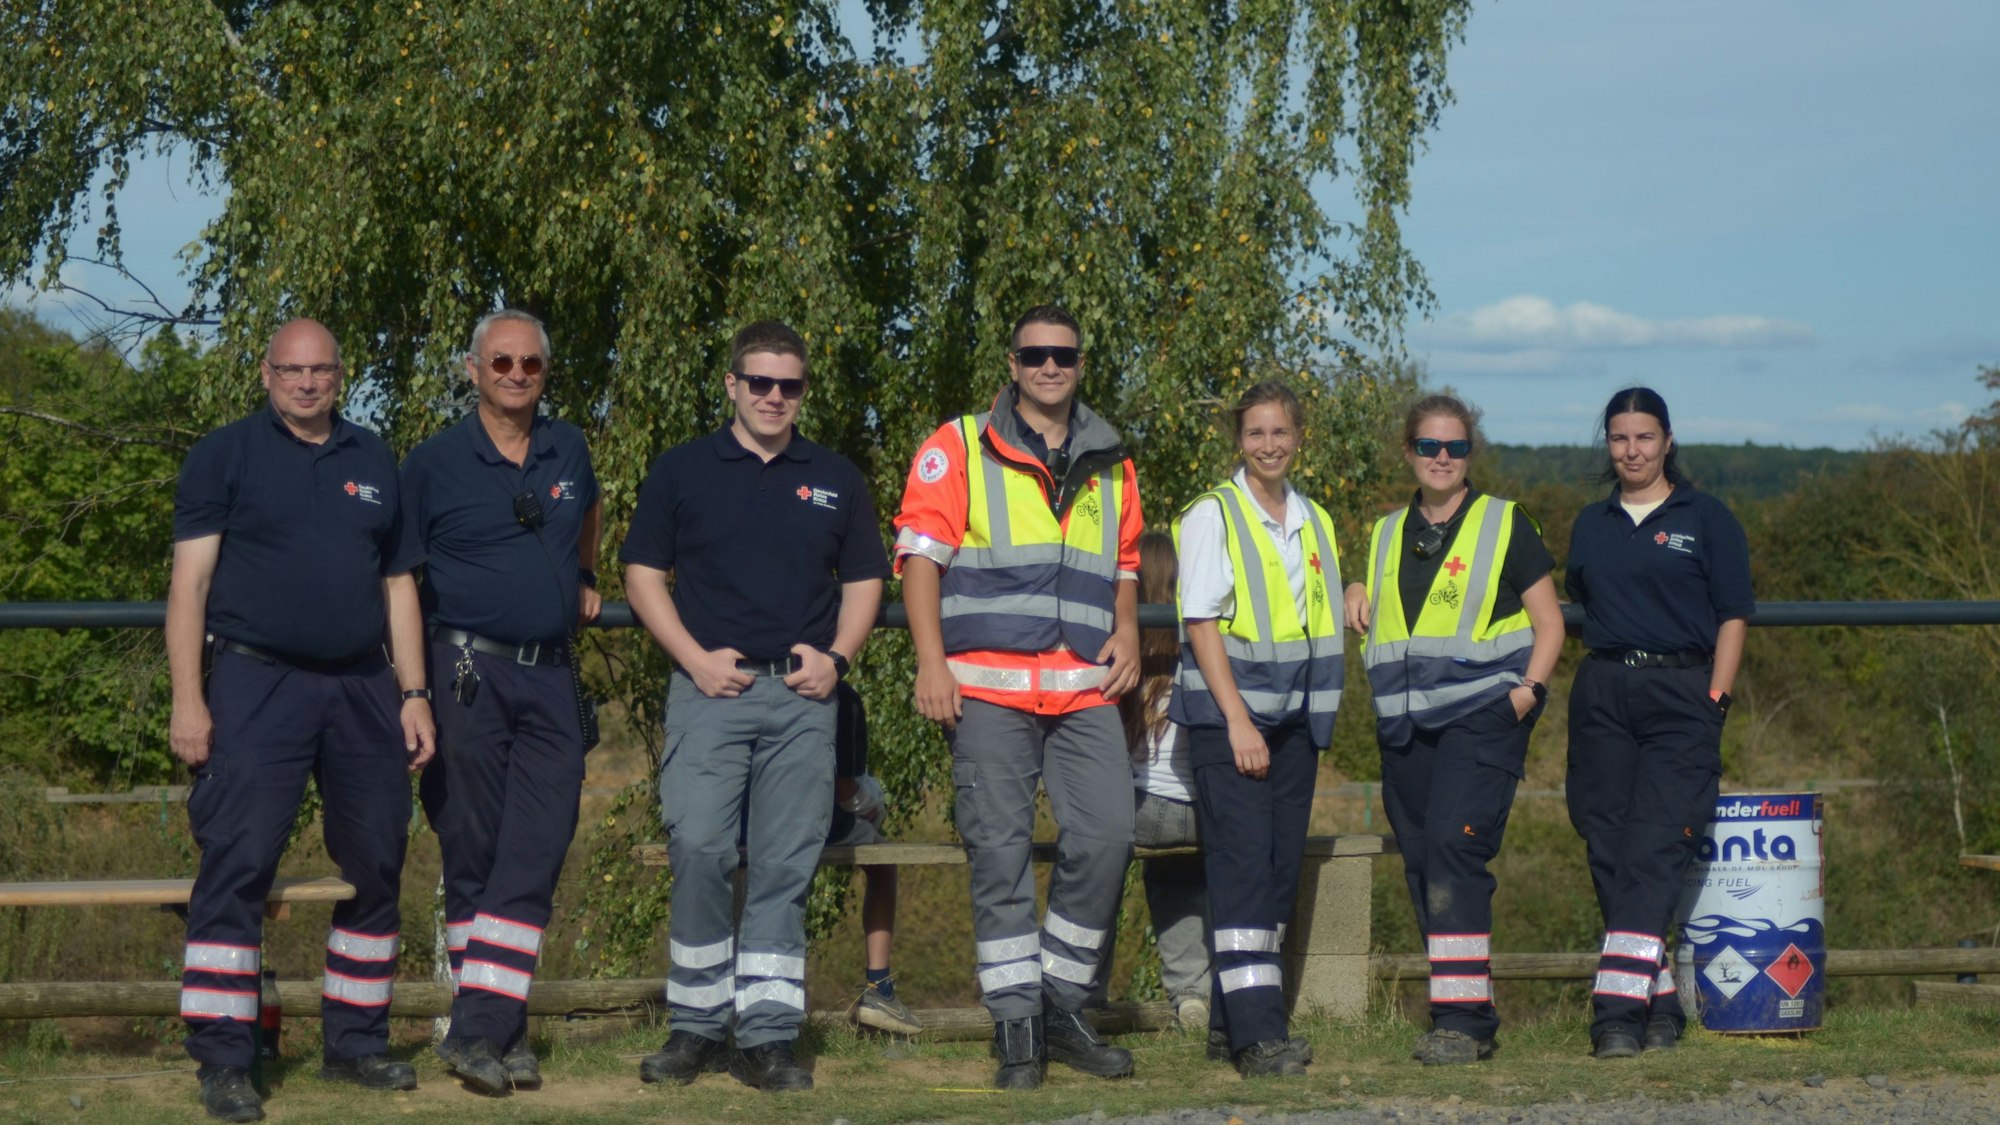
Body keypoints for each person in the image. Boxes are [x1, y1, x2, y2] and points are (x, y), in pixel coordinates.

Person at [166, 318, 433, 1122]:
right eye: (291, 370)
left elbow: (399, 588)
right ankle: (223, 1056)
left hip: (362, 689)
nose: (306, 383)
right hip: (258, 681)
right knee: (237, 861)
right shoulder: (225, 454)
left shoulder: (374, 458)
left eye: (320, 370)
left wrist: (414, 692)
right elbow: (190, 585)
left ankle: (357, 1042)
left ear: (340, 375)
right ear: (265, 372)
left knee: (377, 861)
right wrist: (190, 696)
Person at [625, 320, 888, 1093]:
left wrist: (837, 658)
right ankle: (697, 1028)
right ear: (733, 384)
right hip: (711, 690)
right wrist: (693, 659)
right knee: (701, 846)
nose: (776, 396)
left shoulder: (835, 475)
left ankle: (768, 1037)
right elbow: (643, 575)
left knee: (783, 866)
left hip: (804, 699)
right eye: (761, 382)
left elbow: (867, 578)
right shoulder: (682, 470)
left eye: (791, 384)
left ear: (803, 389)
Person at [893, 304, 1144, 1089]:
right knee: (998, 856)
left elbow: (1126, 561)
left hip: (1084, 692)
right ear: (1012, 362)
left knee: (1108, 834)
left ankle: (1061, 1004)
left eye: (1063, 356)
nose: (1049, 367)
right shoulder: (958, 445)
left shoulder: (1112, 458)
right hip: (987, 693)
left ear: (1080, 363)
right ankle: (1016, 1029)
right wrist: (930, 662)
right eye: (1034, 354)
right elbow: (918, 558)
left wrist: (1130, 629)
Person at [401, 308, 603, 1095]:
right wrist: (411, 688)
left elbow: (588, 509)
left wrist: (586, 574)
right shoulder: (432, 463)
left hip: (552, 674)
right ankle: (504, 1031)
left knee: (538, 846)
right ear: (473, 369)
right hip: (465, 673)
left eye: (531, 366)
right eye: (502, 364)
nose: (517, 376)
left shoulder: (569, 447)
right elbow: (399, 580)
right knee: (473, 851)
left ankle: (476, 1028)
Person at [1341, 394, 1566, 1066]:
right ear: (1409, 451)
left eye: (1456, 447)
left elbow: (1549, 622)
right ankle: (1463, 1009)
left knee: (1454, 850)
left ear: (1471, 453)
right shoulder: (1385, 533)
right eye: (1430, 446)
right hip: (1406, 729)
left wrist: (1529, 693)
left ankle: (1462, 1020)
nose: (1443, 458)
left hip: (1482, 719)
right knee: (1422, 864)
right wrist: (1355, 585)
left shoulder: (1503, 524)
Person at [1564, 386, 1753, 1059]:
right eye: (1619, 438)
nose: (1632, 450)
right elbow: (1581, 597)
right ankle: (1661, 1002)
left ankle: (1616, 1012)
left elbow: (1733, 612)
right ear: (1607, 444)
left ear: (1667, 440)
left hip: (1683, 692)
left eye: (1644, 437)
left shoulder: (1705, 517)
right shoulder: (1591, 522)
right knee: (1608, 845)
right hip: (1606, 690)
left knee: (1654, 847)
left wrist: (1716, 698)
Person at [1169, 380, 1343, 1079]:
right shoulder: (1213, 514)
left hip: (1298, 720)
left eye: (1280, 432)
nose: (1268, 444)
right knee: (1242, 874)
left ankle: (1228, 1021)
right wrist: (1238, 720)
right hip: (1231, 721)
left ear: (1298, 438)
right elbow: (1201, 621)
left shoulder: (1314, 518)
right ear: (1237, 441)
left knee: (1271, 874)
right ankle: (1260, 1037)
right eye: (1255, 433)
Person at [1121, 531, 1213, 1031]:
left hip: (1146, 809)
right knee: (1186, 876)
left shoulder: (1125, 652)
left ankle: (1081, 987)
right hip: (1204, 810)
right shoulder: (1203, 648)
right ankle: (1194, 991)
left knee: (1114, 862)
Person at [828, 683, 925, 1037]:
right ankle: (878, 987)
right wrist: (872, 803)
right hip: (819, 823)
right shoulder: (842, 697)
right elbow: (844, 789)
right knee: (882, 860)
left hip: (749, 821)